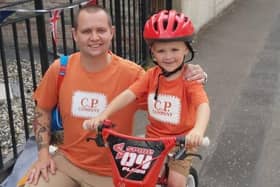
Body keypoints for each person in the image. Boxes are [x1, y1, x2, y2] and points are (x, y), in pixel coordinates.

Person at [25, 5, 207, 187]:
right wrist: (43, 155)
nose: (94, 37)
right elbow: (42, 109)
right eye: (87, 31)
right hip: (67, 163)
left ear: (112, 32)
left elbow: (171, 90)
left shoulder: (134, 74)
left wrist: (187, 72)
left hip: (115, 170)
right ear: (75, 34)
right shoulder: (60, 69)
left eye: (101, 30)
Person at [83, 9, 210, 187]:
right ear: (153, 52)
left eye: (174, 49)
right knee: (140, 177)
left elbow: (203, 105)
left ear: (186, 49)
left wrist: (198, 130)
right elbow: (129, 94)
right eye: (161, 50)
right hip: (154, 139)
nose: (168, 56)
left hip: (182, 141)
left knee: (176, 181)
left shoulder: (189, 80)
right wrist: (103, 114)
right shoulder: (151, 75)